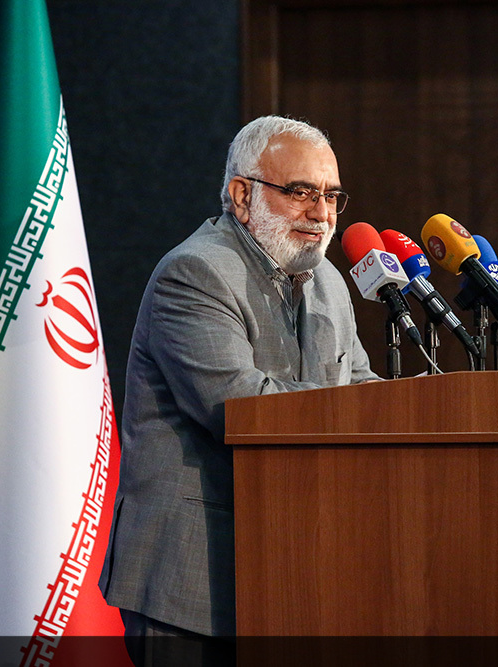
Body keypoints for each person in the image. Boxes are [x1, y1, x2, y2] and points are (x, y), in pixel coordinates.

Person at [98, 116, 380, 657]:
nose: (321, 214)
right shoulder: (194, 272)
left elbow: (363, 385)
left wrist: (419, 407)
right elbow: (239, 406)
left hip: (297, 570)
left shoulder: (328, 282)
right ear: (242, 195)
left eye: (331, 196)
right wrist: (365, 409)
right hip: (195, 579)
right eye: (301, 192)